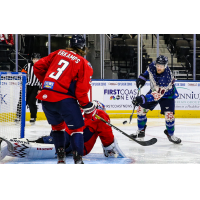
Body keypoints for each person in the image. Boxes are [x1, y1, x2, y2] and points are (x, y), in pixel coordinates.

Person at [33, 34, 96, 164]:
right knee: (76, 130)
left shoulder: (58, 53)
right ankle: (78, 160)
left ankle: (60, 159)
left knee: (57, 128)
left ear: (70, 44)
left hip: (47, 99)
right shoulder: (84, 63)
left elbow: (37, 66)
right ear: (83, 47)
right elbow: (81, 90)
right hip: (64, 100)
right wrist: (87, 106)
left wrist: (48, 84)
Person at [0, 101, 125, 162]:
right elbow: (107, 140)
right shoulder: (100, 115)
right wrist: (110, 148)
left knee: (54, 139)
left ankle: (35, 142)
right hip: (76, 144)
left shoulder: (79, 110)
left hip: (64, 137)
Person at [130, 55, 181, 144]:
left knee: (169, 116)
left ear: (165, 66)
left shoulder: (166, 77)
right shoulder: (152, 65)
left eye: (161, 66)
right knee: (141, 110)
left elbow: (156, 96)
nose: (158, 67)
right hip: (155, 91)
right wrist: (141, 78)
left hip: (167, 94)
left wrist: (142, 99)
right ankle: (140, 131)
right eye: (158, 65)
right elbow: (147, 73)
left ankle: (171, 134)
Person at [15, 53, 42, 125]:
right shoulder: (28, 66)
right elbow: (22, 75)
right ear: (32, 60)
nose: (36, 60)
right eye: (34, 59)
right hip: (26, 86)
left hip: (36, 87)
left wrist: (40, 88)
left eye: (37, 59)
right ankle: (19, 116)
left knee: (31, 102)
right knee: (22, 101)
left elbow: (43, 78)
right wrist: (21, 84)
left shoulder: (42, 67)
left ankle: (33, 117)